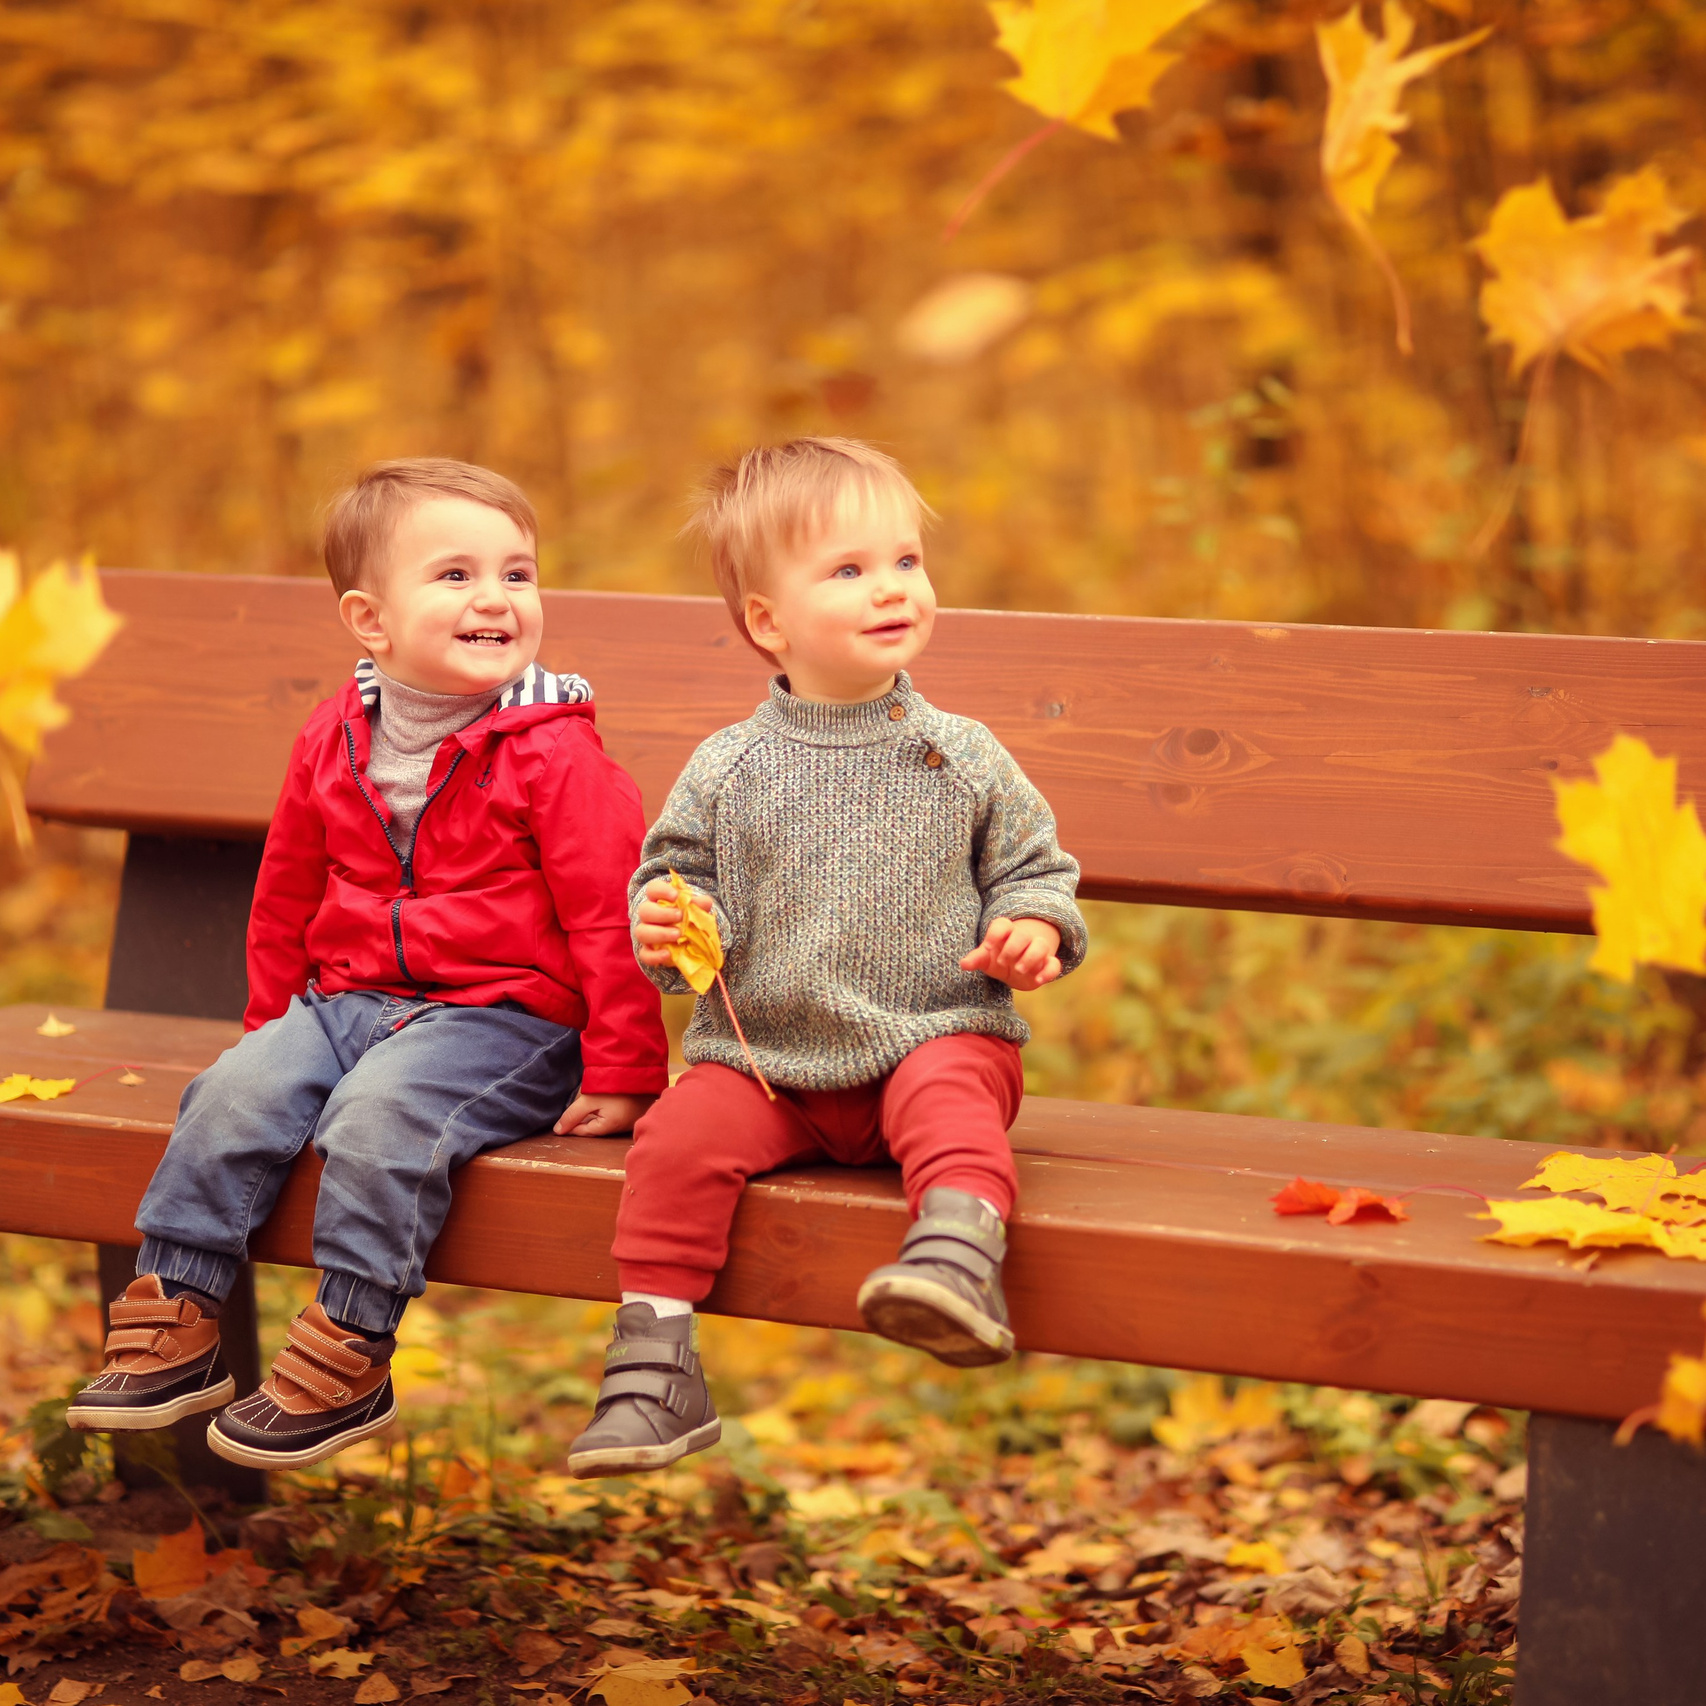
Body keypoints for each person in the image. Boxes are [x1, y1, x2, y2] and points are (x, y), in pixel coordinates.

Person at [69, 458, 667, 1470]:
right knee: (230, 1093)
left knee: (378, 1116)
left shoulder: (555, 753)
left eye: (516, 573)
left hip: (505, 1020)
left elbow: (610, 916)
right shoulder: (337, 732)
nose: (495, 597)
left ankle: (351, 1344)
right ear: (369, 620)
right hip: (345, 1002)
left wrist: (624, 1070)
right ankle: (179, 1313)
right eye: (456, 575)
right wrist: (272, 1031)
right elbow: (286, 889)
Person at [566, 436, 1086, 1478]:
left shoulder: (961, 752)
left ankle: (954, 1256)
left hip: (935, 1036)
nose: (892, 587)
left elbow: (1035, 869)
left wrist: (1033, 929)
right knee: (675, 1138)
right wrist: (669, 925)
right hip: (772, 1068)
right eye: (848, 569)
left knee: (947, 1096)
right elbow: (673, 886)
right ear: (769, 621)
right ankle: (655, 1363)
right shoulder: (729, 767)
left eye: (905, 560)